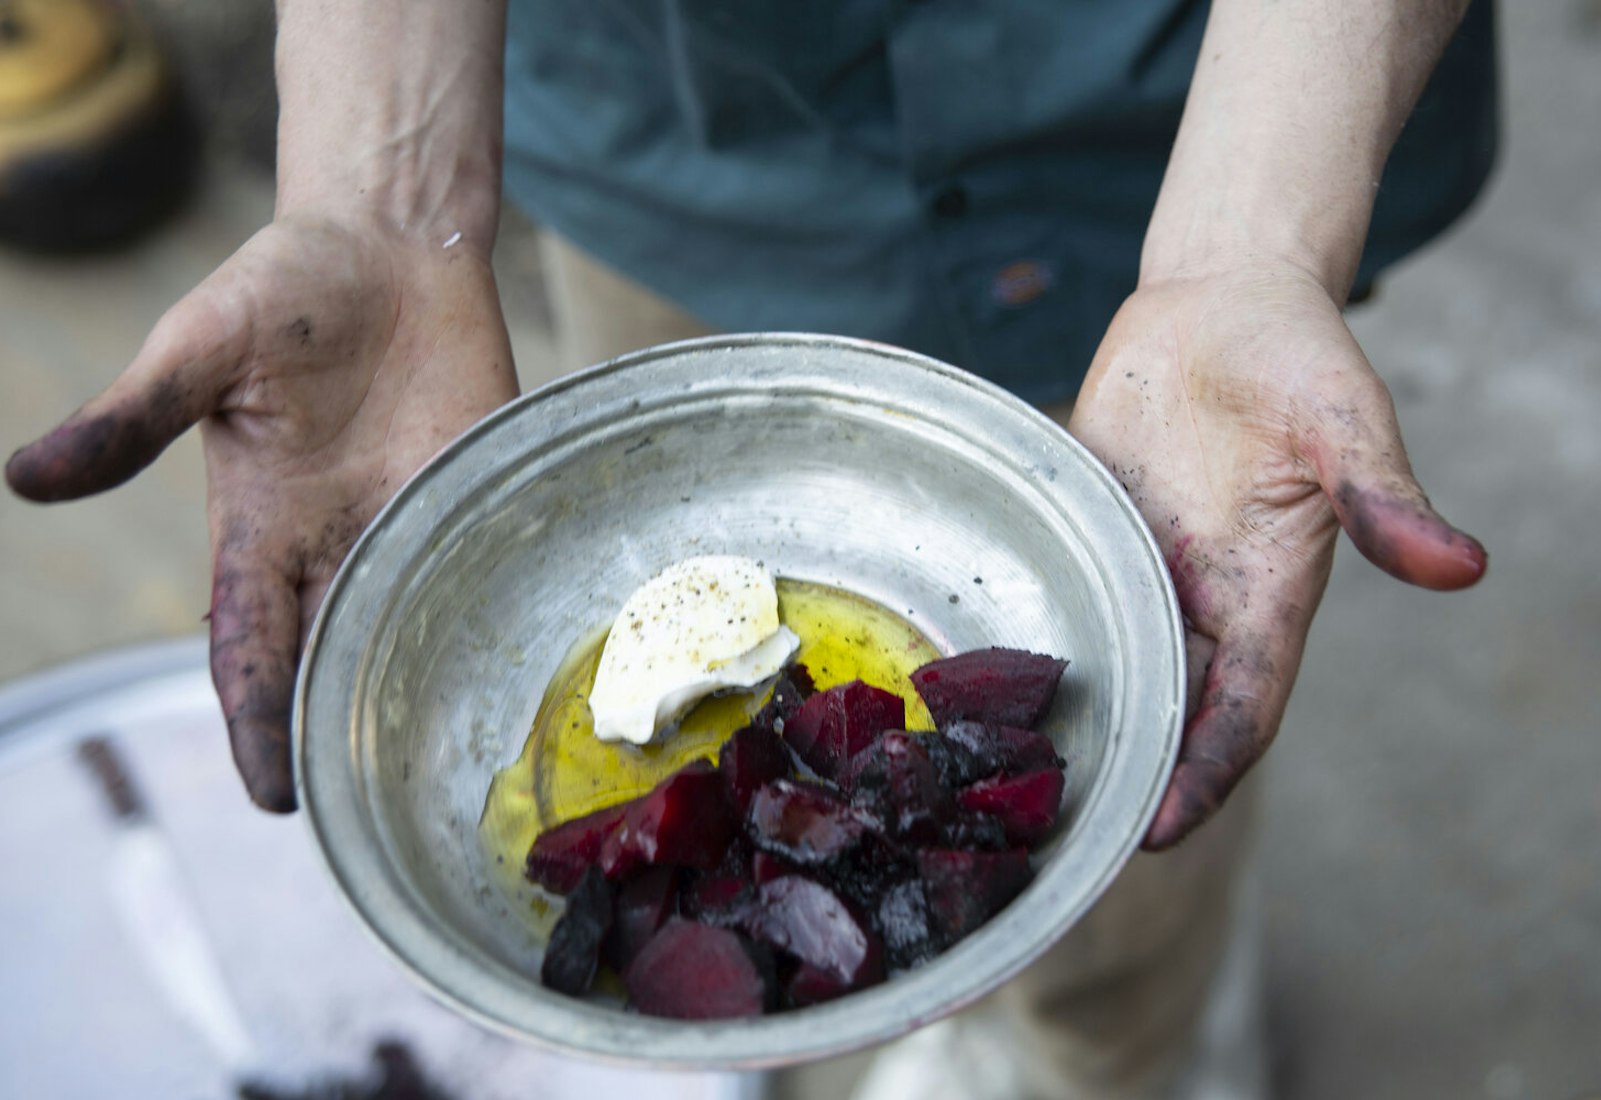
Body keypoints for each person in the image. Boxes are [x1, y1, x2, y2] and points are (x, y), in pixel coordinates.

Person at [5, 2, 1495, 1096]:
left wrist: (1249, 249)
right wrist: (376, 203)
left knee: (1137, 834)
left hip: (1181, 118)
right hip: (691, 135)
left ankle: (1140, 1052)